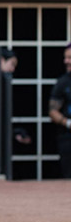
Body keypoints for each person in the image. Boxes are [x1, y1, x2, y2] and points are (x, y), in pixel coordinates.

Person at [48, 43, 71, 178]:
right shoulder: (62, 82)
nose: (66, 61)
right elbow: (52, 111)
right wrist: (67, 123)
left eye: (69, 57)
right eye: (65, 58)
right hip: (67, 137)